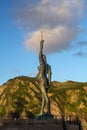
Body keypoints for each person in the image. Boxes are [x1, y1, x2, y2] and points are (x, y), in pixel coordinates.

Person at [36, 40, 51, 115]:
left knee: (45, 97)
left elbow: (39, 54)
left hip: (42, 81)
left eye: (42, 57)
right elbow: (49, 75)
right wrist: (49, 83)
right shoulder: (47, 66)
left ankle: (48, 112)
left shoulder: (42, 64)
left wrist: (41, 45)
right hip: (45, 81)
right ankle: (41, 112)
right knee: (43, 98)